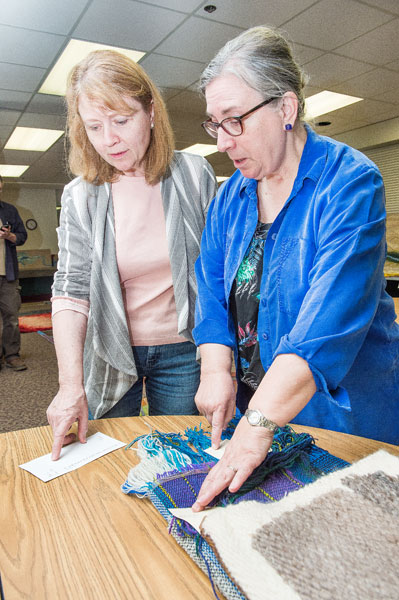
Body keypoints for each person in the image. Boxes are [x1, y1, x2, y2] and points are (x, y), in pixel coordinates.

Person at [191, 25, 399, 512]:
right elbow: (212, 289)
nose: (222, 142)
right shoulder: (230, 197)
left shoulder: (349, 185)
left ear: (285, 108)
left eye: (234, 120)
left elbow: (323, 329)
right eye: (213, 124)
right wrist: (217, 366)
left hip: (340, 421)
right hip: (259, 419)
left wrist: (255, 428)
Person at [47, 50, 217, 460]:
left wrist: (219, 365)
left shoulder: (194, 174)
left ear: (152, 112)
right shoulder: (81, 196)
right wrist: (71, 385)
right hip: (108, 348)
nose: (109, 139)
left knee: (178, 457)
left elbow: (216, 273)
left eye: (122, 121)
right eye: (94, 127)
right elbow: (71, 291)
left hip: (183, 350)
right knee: (107, 458)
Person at [0, 175, 28, 371]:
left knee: (11, 316)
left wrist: (9, 235)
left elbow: (22, 236)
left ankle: (11, 355)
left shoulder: (9, 210)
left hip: (7, 274)